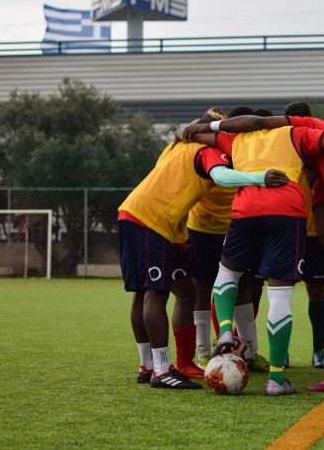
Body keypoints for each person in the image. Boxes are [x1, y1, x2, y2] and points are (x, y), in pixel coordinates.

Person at [181, 117, 324, 395]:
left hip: (246, 207)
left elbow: (189, 135)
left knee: (228, 271)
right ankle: (276, 379)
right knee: (280, 293)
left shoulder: (234, 138)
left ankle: (226, 331)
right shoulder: (294, 133)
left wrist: (205, 126)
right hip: (286, 210)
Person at [118, 108, 289, 389]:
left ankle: (161, 364)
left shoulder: (177, 146)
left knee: (183, 292)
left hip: (149, 219)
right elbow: (221, 177)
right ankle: (160, 369)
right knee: (153, 292)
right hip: (151, 219)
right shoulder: (206, 149)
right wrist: (260, 177)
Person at [188, 108, 271, 373]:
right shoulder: (211, 147)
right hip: (201, 225)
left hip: (235, 225)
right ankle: (203, 353)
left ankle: (249, 350)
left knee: (243, 284)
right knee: (202, 288)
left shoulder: (251, 148)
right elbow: (189, 130)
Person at [284, 101, 324, 369]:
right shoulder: (282, 146)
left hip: (315, 232)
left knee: (316, 290)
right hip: (288, 229)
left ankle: (319, 351)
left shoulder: (319, 146)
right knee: (283, 291)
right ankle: (283, 351)